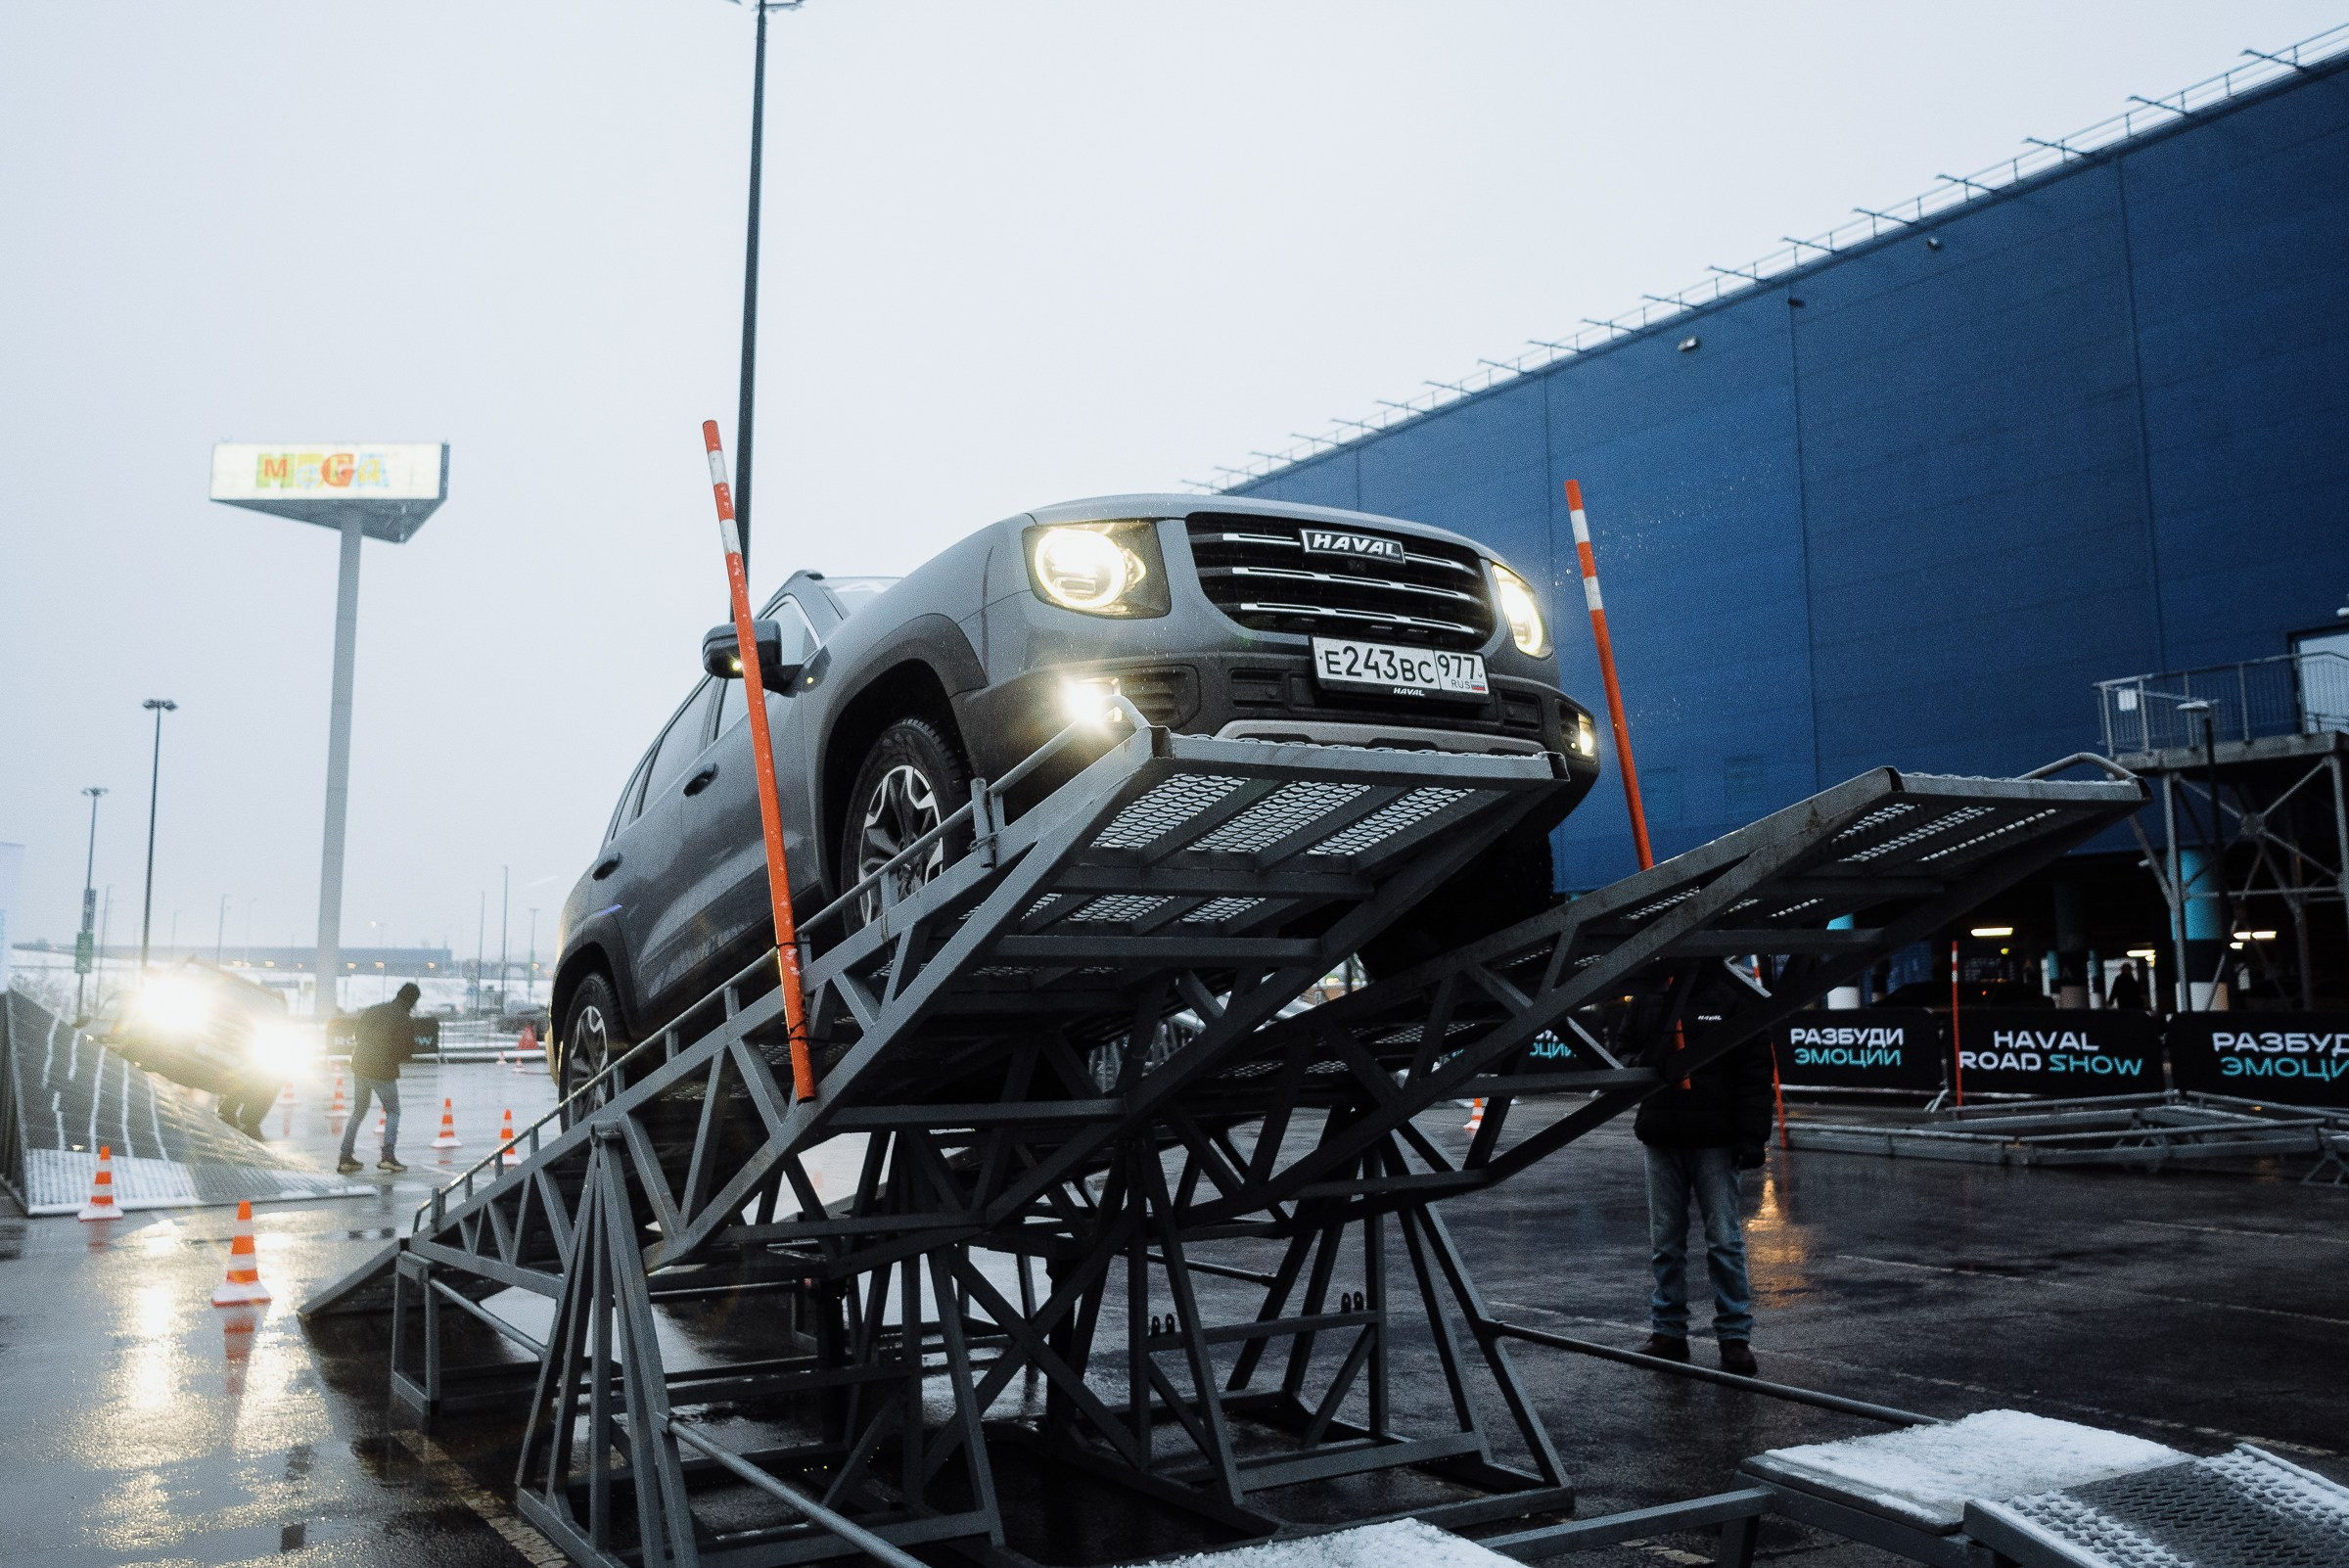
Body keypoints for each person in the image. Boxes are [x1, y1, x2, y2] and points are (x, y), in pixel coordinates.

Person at [1635, 1032, 1773, 1376]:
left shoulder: (1730, 1002)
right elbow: (1626, 1048)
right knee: (1669, 1240)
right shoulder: (1654, 1000)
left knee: (1721, 1241)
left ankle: (1727, 1336)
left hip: (1711, 1136)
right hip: (1667, 1131)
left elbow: (1754, 1069)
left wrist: (1753, 1134)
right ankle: (1680, 1332)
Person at [338, 983, 422, 1175]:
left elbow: (358, 1035)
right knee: (393, 1111)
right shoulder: (404, 1019)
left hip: (360, 1066)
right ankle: (388, 1157)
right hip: (382, 1071)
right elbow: (407, 1050)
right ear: (413, 1001)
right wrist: (393, 1057)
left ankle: (345, 1157)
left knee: (358, 1111)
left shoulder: (375, 1009)